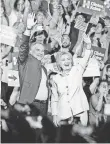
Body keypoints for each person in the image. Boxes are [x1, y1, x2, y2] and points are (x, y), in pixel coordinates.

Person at [50, 37, 92, 126]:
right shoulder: (55, 78)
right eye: (63, 60)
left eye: (68, 59)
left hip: (80, 111)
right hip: (63, 113)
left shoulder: (77, 70)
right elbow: (54, 98)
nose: (67, 61)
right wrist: (54, 115)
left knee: (80, 138)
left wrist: (88, 45)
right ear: (59, 64)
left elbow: (86, 58)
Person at [18, 13, 48, 115]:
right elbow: (23, 47)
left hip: (43, 106)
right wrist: (29, 28)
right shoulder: (26, 61)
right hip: (30, 105)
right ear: (30, 51)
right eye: (37, 50)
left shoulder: (44, 68)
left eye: (42, 51)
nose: (40, 52)